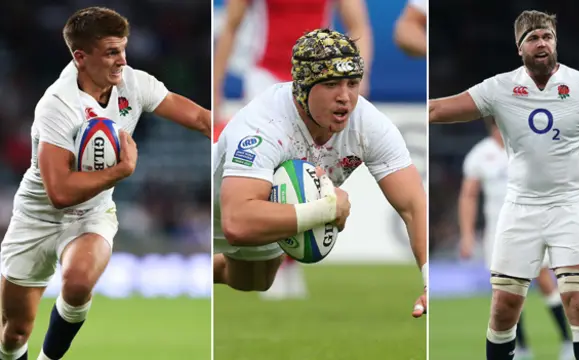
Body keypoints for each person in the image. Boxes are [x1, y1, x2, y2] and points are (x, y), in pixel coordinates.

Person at [0, 7, 211, 360]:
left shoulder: (134, 83)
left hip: (92, 214)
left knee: (79, 282)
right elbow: (60, 192)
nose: (122, 60)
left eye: (123, 49)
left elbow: (201, 119)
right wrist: (119, 172)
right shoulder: (57, 105)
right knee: (14, 331)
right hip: (37, 217)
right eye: (112, 52)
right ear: (81, 58)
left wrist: (231, 141)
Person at [429, 10, 579, 360]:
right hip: (520, 209)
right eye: (533, 38)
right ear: (520, 48)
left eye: (547, 36)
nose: (542, 43)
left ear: (556, 41)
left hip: (570, 208)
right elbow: (440, 109)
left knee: (578, 301)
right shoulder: (500, 88)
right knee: (503, 308)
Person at [213, 28, 427, 317]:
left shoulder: (369, 124)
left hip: (263, 214)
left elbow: (414, 206)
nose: (345, 97)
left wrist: (429, 281)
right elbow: (237, 222)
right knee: (244, 254)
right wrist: (325, 210)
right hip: (216, 208)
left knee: (256, 281)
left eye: (352, 83)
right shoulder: (263, 125)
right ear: (302, 87)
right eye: (331, 84)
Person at [213, 0, 373, 299]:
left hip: (320, 80)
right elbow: (230, 27)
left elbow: (359, 25)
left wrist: (357, 82)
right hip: (266, 76)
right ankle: (272, 259)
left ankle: (291, 261)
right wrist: (216, 91)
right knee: (269, 175)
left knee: (308, 171)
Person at [459, 118, 578, 360]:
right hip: (498, 232)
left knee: (545, 281)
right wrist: (467, 235)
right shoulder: (480, 154)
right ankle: (521, 348)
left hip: (533, 226)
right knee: (506, 289)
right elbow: (469, 196)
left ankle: (567, 341)